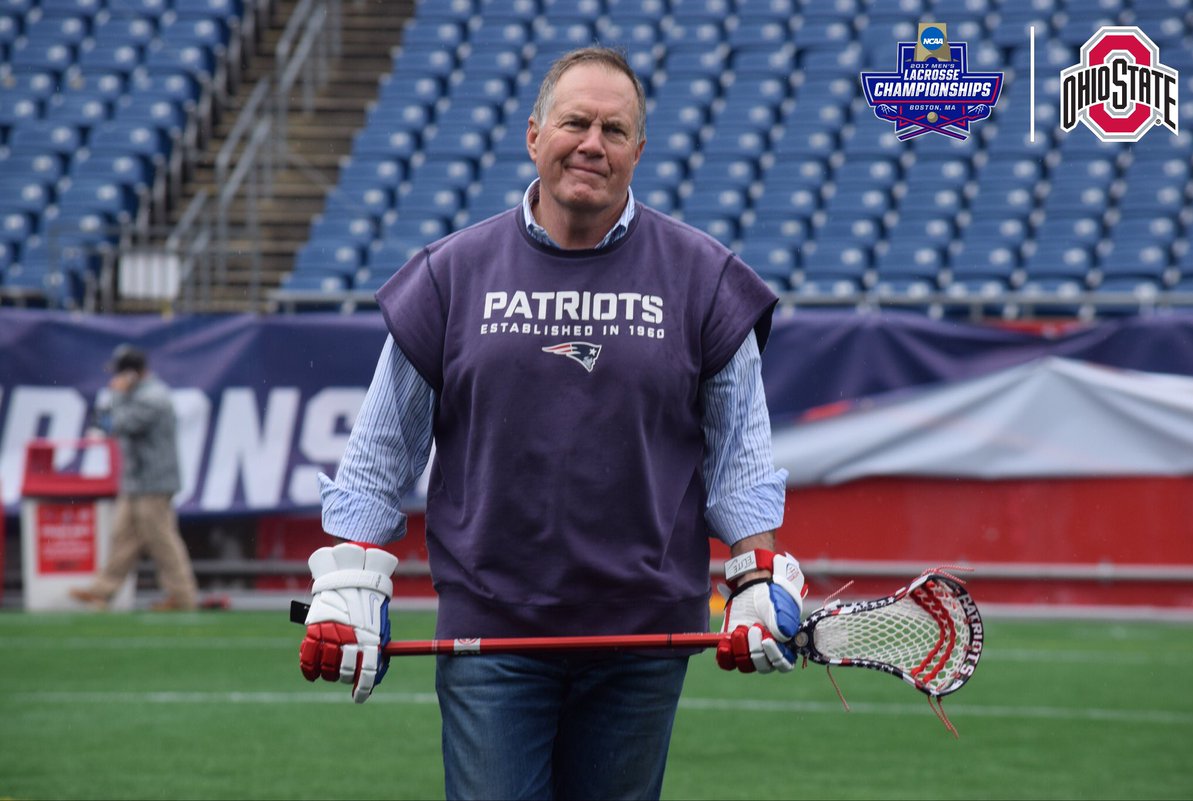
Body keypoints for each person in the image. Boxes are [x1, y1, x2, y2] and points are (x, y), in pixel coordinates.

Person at [299, 47, 806, 800]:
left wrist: (758, 574)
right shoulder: (450, 273)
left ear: (639, 150)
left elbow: (741, 455)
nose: (592, 143)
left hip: (644, 635)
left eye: (614, 128)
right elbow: (381, 451)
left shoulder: (705, 279)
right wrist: (347, 581)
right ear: (534, 134)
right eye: (575, 122)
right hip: (491, 628)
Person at [70, 344, 198, 612]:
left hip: (154, 481)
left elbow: (114, 424)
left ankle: (183, 596)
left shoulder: (153, 397)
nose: (114, 379)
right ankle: (102, 591)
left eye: (119, 374)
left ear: (133, 374)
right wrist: (116, 398)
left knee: (162, 540)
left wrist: (115, 396)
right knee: (123, 538)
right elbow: (100, 422)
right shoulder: (135, 395)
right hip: (135, 481)